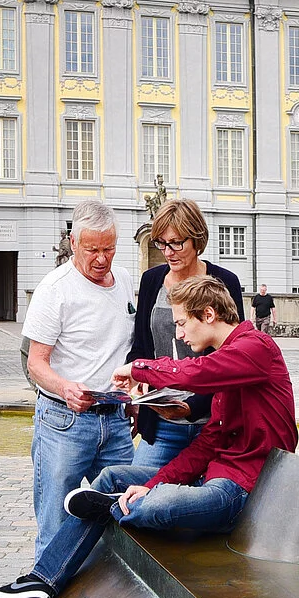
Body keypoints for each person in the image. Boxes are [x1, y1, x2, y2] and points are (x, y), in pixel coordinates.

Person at [0, 273, 297, 598]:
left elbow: (196, 373)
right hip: (216, 477)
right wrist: (150, 483)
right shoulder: (229, 364)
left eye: (181, 323)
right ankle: (42, 581)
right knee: (114, 479)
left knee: (159, 505)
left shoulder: (256, 348)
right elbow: (207, 446)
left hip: (246, 490)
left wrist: (140, 368)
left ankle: (111, 508)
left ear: (208, 315)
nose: (177, 334)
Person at [0, 200, 134, 598]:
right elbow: (35, 362)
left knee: (125, 512)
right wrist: (65, 388)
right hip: (64, 420)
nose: (102, 259)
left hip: (115, 419)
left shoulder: (127, 284)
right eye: (92, 249)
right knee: (56, 521)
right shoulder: (54, 289)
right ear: (73, 242)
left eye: (109, 249)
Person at [127, 198, 244, 475]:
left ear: (197, 240)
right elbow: (141, 346)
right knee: (133, 500)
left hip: (214, 423)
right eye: (162, 243)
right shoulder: (151, 281)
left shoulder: (224, 281)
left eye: (177, 243)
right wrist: (139, 383)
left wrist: (191, 407)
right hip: (161, 424)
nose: (169, 252)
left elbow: (236, 358)